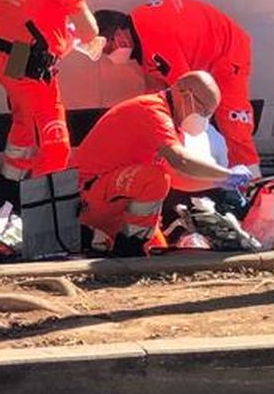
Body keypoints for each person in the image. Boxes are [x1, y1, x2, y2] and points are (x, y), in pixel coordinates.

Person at [0, 0, 101, 211]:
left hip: (8, 57)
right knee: (55, 142)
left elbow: (2, 14)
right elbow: (90, 29)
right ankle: (40, 215)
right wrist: (80, 40)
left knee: (24, 124)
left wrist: (56, 30)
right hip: (32, 67)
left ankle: (4, 197)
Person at [71, 71, 251, 256]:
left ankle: (128, 245)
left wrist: (218, 183)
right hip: (90, 195)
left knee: (157, 248)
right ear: (183, 91)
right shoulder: (153, 111)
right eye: (203, 110)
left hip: (113, 193)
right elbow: (181, 161)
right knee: (155, 179)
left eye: (208, 114)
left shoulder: (171, 123)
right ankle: (128, 248)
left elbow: (178, 178)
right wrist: (225, 174)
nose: (204, 119)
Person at [93, 0, 258, 175]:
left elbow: (188, 94)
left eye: (107, 50)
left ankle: (253, 184)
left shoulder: (155, 40)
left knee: (234, 127)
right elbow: (155, 86)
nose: (107, 56)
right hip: (211, 49)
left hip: (228, 52)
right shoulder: (140, 26)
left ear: (118, 36)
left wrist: (172, 144)